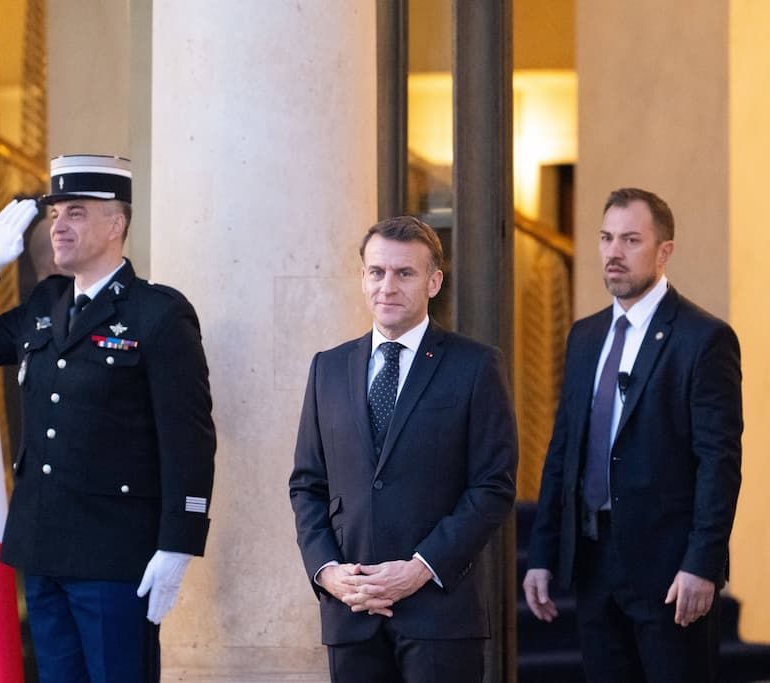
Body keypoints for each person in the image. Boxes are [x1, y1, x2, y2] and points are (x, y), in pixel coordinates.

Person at [0, 154, 216, 683]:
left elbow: (189, 440)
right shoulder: (47, 303)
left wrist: (179, 541)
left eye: (76, 213)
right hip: (43, 548)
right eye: (55, 213)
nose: (58, 226)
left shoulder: (157, 314)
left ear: (116, 224)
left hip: (114, 554)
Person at [523, 188, 743, 682]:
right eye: (606, 238)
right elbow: (563, 453)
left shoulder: (703, 339)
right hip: (593, 562)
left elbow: (719, 463)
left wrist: (702, 563)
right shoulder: (585, 336)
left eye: (630, 240)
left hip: (670, 571)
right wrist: (542, 554)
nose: (613, 252)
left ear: (664, 251)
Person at [288, 215, 517, 682]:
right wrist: (327, 571)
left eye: (404, 273)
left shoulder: (475, 366)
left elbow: (493, 486)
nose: (387, 286)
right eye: (377, 272)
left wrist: (420, 569)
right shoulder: (328, 367)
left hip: (439, 614)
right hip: (351, 613)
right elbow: (307, 485)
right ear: (362, 277)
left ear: (434, 282)